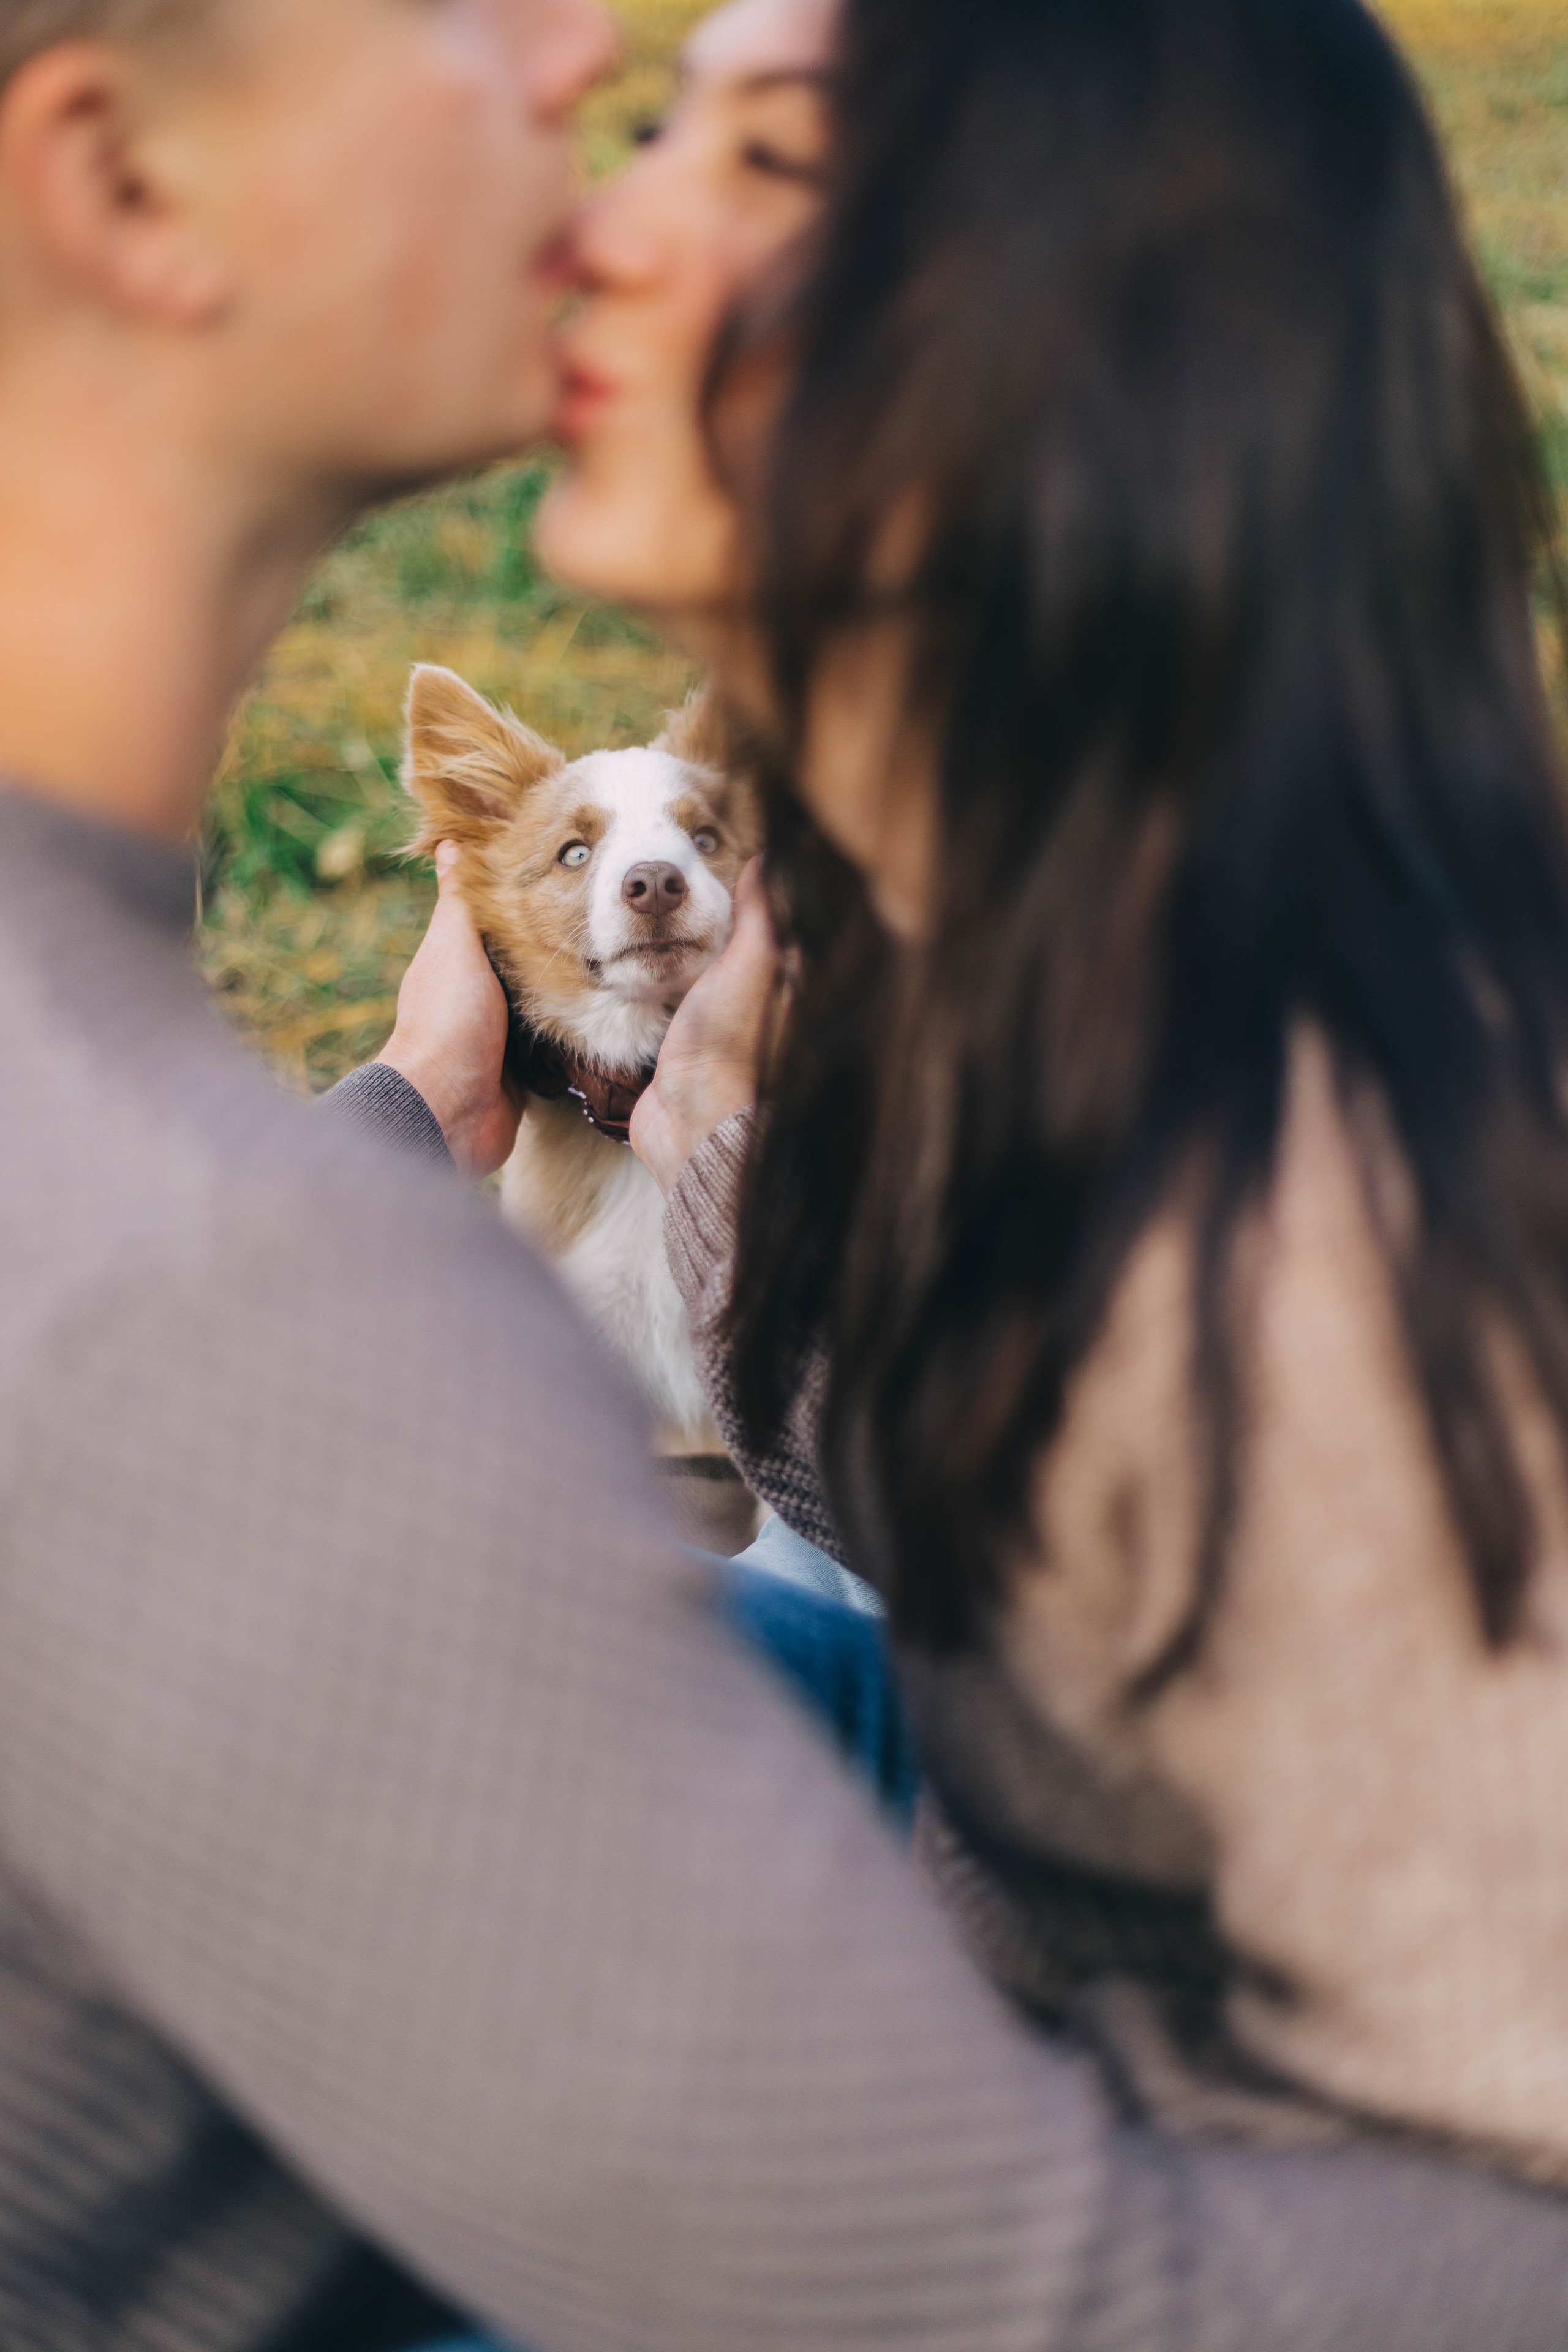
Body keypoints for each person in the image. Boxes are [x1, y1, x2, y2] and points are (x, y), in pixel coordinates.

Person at [2, 2, 1566, 2350]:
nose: (579, 89)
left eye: (761, 155)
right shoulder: (233, 1296)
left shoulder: (1296, 1173)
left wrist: (485, 1138)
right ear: (117, 185)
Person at [521, 0, 1568, 2199]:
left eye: (769, 165)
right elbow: (985, 1534)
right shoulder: (957, 893)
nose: (601, 226)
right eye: (657, 131)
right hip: (1010, 1874)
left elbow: (1481, 2161)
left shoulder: (1323, 1208)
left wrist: (721, 1167)